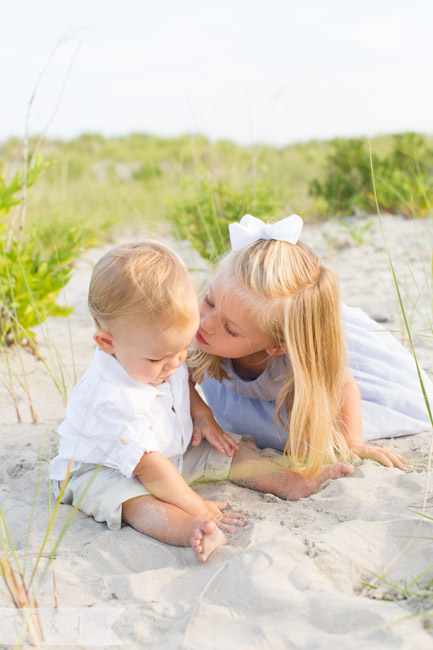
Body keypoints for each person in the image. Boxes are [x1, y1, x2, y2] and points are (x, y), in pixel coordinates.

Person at [50, 241, 353, 563]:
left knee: (228, 453)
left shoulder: (159, 351)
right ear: (107, 342)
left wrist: (202, 416)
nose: (173, 364)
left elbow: (184, 384)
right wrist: (196, 504)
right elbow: (148, 466)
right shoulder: (110, 397)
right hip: (106, 467)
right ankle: (190, 528)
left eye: (181, 352)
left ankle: (287, 481)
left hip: (170, 449)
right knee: (133, 500)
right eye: (158, 359)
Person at [189, 214, 433, 478]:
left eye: (230, 329)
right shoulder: (199, 327)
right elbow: (182, 376)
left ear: (277, 346)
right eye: (210, 300)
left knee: (312, 437)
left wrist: (353, 443)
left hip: (306, 368)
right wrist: (202, 412)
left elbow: (343, 385)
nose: (206, 323)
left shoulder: (300, 356)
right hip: (264, 370)